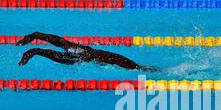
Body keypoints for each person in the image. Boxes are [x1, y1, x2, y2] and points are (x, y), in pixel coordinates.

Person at [16, 32, 156, 71]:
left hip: (106, 58)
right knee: (138, 67)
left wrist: (33, 37)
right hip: (106, 57)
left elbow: (55, 42)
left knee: (138, 67)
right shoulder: (76, 53)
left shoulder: (75, 52)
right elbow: (55, 42)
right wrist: (33, 38)